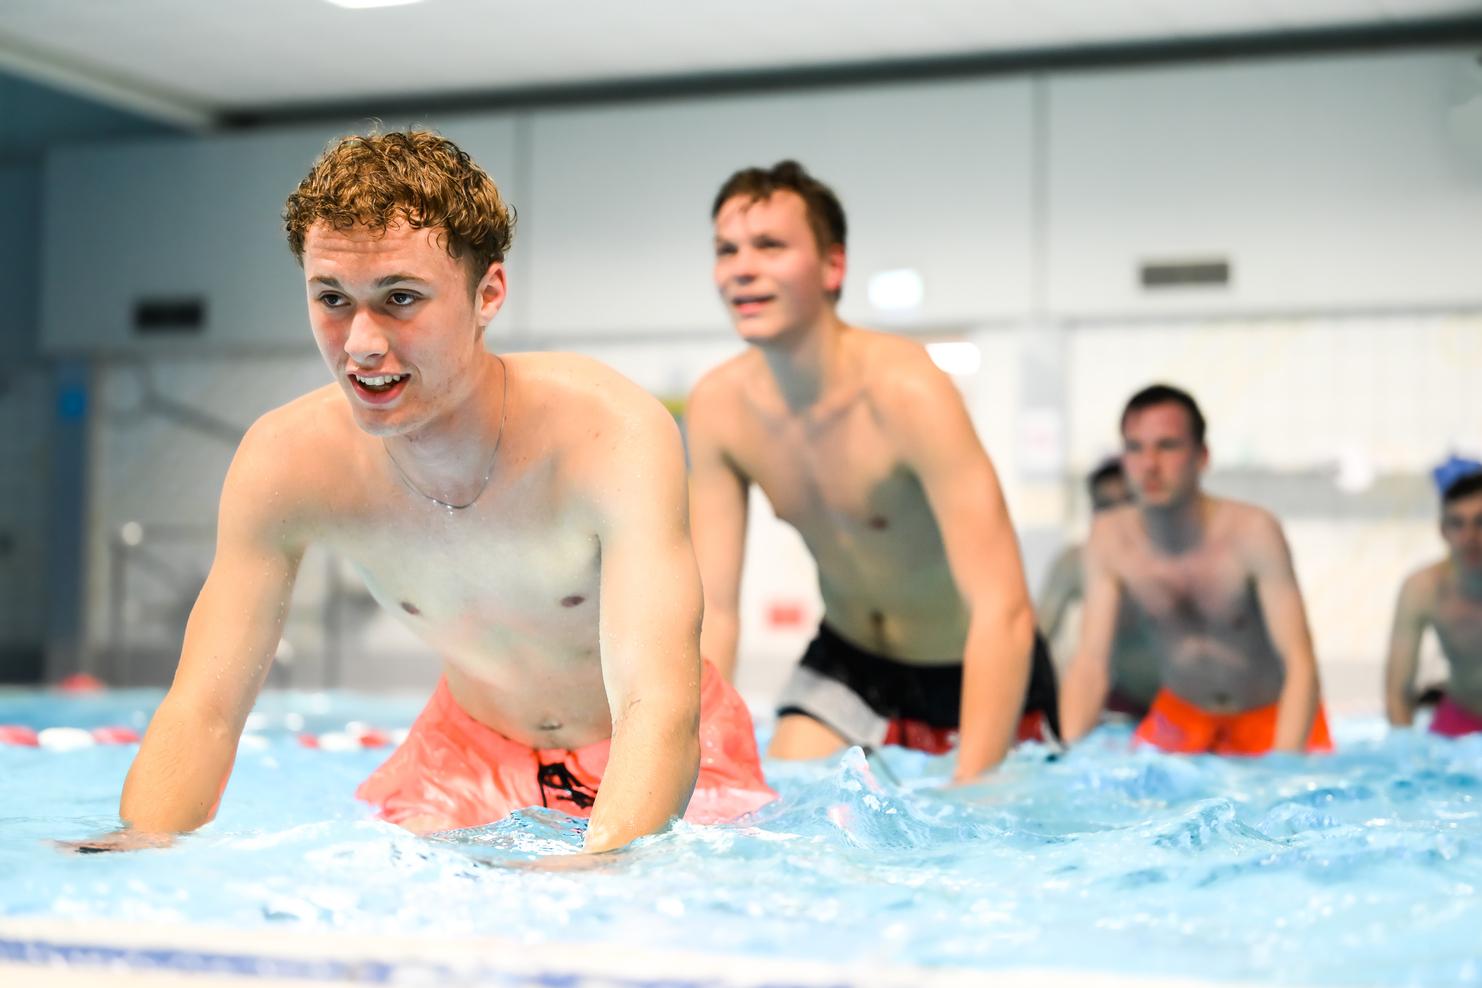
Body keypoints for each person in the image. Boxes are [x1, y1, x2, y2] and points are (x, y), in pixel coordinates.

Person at [70, 131, 772, 854]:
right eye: (332, 299)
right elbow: (205, 708)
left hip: (652, 743)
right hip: (461, 753)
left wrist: (599, 864)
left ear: (488, 293)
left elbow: (657, 707)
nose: (362, 343)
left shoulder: (608, 435)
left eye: (400, 298)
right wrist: (139, 845)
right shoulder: (287, 461)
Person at [685, 160, 1057, 783]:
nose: (742, 267)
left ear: (834, 267)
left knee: (989, 832)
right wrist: (692, 755)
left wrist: (976, 789)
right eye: (727, 250)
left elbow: (1005, 609)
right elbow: (714, 612)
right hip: (850, 662)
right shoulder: (720, 408)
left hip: (973, 663)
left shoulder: (908, 392)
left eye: (770, 245)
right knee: (780, 809)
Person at [1059, 384, 1331, 756]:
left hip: (1271, 716)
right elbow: (1090, 663)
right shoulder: (1110, 539)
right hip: (1181, 717)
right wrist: (1064, 754)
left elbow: (1300, 663)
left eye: (1167, 446)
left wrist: (1283, 766)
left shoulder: (1252, 532)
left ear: (1202, 456)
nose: (1149, 464)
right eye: (1135, 448)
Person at [1036, 458, 1160, 719]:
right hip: (1122, 700)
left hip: (1184, 702)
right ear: (1092, 511)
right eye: (1105, 506)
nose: (1116, 516)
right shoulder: (1075, 563)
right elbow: (1036, 639)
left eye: (1126, 502)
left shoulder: (1176, 560)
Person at [1384, 461, 1482, 737]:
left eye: (1481, 522)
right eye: (1457, 524)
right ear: (1442, 530)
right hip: (1459, 720)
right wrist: (1403, 753)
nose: (1470, 537)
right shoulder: (1423, 589)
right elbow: (1397, 691)